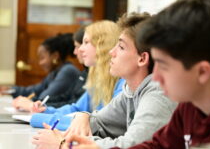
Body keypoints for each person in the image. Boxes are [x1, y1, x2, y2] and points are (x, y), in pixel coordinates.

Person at [61, 0, 210, 149]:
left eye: (164, 66)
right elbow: (155, 146)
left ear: (202, 72)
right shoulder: (189, 107)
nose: (156, 77)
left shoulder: (163, 95)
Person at [32, 13, 177, 149]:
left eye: (121, 47)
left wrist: (66, 144)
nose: (111, 52)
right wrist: (84, 117)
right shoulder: (130, 91)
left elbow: (131, 145)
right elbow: (98, 123)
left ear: (142, 59)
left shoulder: (158, 94)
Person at [29, 20, 125, 132]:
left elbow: (96, 124)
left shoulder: (122, 84)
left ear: (102, 45)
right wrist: (45, 110)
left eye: (86, 42)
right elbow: (77, 109)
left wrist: (38, 118)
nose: (80, 49)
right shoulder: (98, 80)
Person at [1, 33, 81, 109]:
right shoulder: (54, 72)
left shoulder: (68, 71)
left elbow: (45, 97)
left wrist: (27, 102)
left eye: (42, 58)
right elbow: (35, 90)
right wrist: (10, 90)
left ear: (55, 56)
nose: (40, 63)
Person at [37, 27, 88, 108]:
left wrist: (43, 106)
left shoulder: (68, 70)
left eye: (78, 46)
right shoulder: (84, 72)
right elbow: (67, 97)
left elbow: (75, 105)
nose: (75, 52)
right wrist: (40, 104)